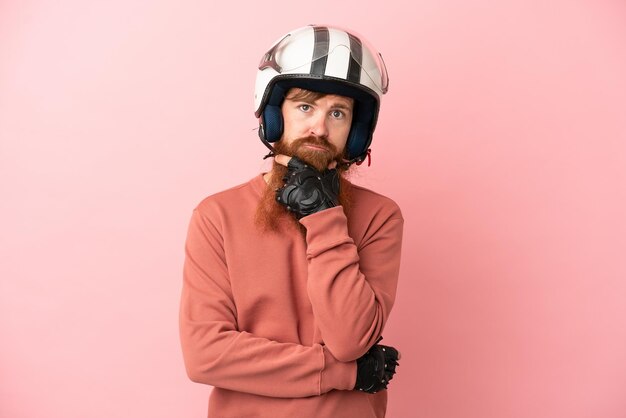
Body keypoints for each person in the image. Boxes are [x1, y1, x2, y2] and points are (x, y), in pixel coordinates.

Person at [179, 24, 404, 418]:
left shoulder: (380, 217)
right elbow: (206, 356)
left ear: (356, 132)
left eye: (338, 112)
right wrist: (343, 373)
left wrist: (324, 216)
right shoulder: (217, 215)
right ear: (275, 114)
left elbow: (350, 338)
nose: (320, 127)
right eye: (305, 106)